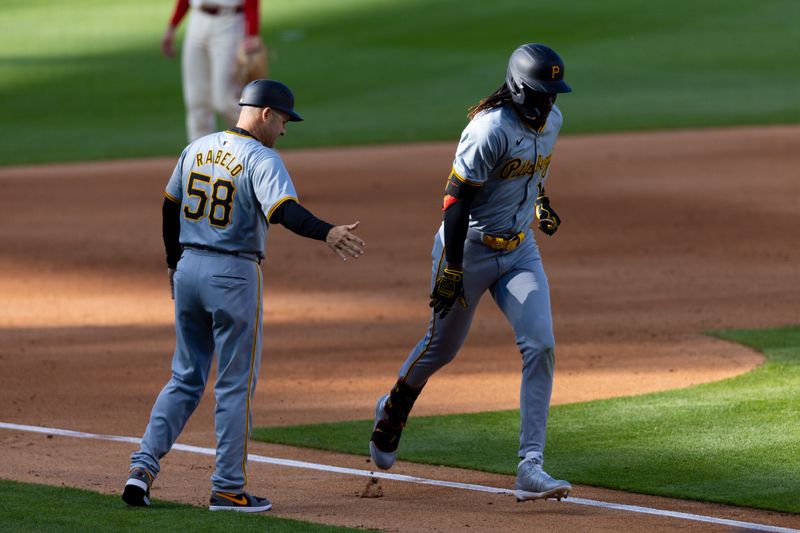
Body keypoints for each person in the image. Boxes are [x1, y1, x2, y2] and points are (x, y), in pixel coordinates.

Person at [122, 79, 366, 512]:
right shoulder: (262, 158)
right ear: (266, 114)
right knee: (234, 386)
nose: (286, 131)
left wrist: (172, 263)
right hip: (233, 275)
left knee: (185, 377)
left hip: (189, 269)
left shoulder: (196, 147)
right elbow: (284, 212)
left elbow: (169, 205)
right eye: (285, 120)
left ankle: (141, 469)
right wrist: (327, 232)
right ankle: (228, 488)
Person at [368, 44, 573, 503]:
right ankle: (394, 409)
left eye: (554, 94)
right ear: (519, 89)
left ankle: (530, 466)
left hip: (520, 251)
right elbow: (455, 201)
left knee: (540, 344)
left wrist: (540, 203)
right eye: (542, 94)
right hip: (469, 249)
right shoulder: (489, 129)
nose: (549, 103)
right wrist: (453, 269)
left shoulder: (553, 123)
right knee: (442, 347)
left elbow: (533, 173)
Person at [161, 0, 263, 142]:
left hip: (230, 22)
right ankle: (199, 157)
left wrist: (252, 34)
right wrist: (172, 26)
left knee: (226, 100)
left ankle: (258, 148)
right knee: (196, 101)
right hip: (197, 21)